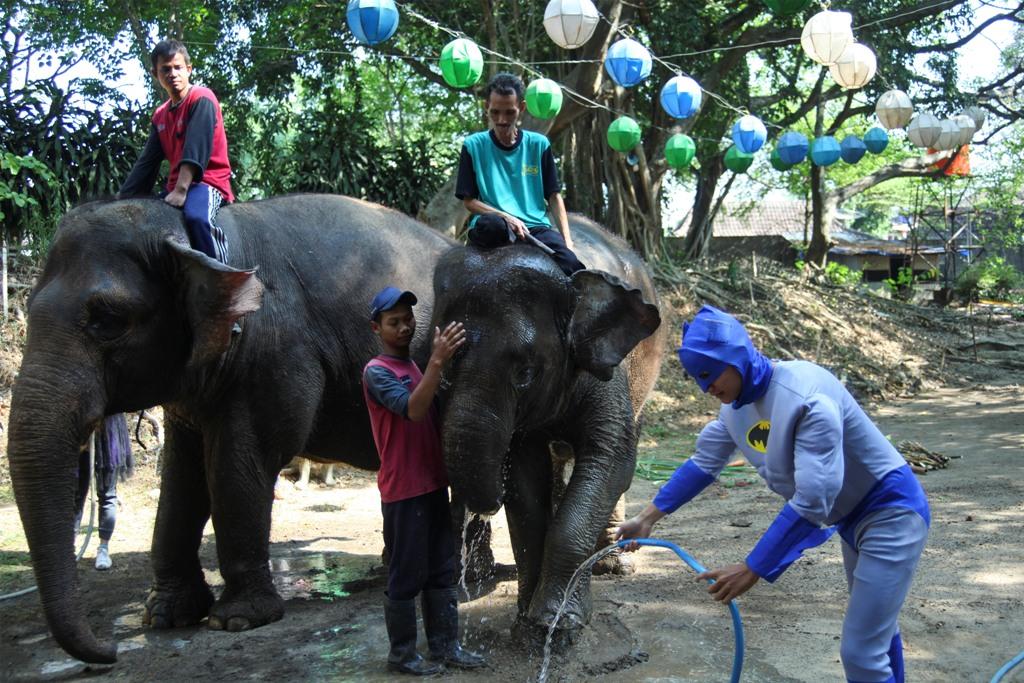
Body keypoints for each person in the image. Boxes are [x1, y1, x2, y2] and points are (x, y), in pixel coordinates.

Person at [616, 305, 929, 683]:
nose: (706, 387)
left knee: (861, 650)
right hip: (850, 520)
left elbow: (815, 497)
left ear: (736, 358)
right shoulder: (734, 409)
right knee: (876, 632)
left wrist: (753, 567)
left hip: (890, 511)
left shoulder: (805, 395)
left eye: (710, 374)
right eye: (697, 379)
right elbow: (702, 464)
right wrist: (647, 518)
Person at [362, 286, 486, 675]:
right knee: (406, 573)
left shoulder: (415, 367)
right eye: (393, 322)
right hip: (404, 490)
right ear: (376, 328)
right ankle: (402, 654)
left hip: (433, 485)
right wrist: (436, 361)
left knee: (441, 569)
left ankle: (445, 647)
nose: (403, 328)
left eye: (407, 320)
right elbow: (413, 411)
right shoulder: (377, 372)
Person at [455, 72, 585, 276]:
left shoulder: (539, 145)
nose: (502, 120)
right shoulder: (473, 146)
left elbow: (553, 196)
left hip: (534, 228)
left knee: (570, 264)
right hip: (496, 226)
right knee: (492, 225)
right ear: (486, 107)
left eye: (509, 113)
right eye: (495, 112)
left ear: (522, 108)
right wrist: (507, 217)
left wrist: (567, 242)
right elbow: (469, 201)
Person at [119, 39, 234, 265]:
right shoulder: (160, 115)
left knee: (197, 218)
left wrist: (181, 190)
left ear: (189, 69)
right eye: (166, 69)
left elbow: (195, 148)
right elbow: (147, 164)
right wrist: (121, 201)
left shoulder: (201, 98)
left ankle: (223, 280)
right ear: (155, 73)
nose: (173, 73)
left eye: (178, 67)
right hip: (174, 188)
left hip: (207, 184)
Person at [75, 414, 134, 571]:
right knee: (75, 494)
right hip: (79, 431)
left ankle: (103, 549)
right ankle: (69, 547)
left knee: (107, 495)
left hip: (109, 431)